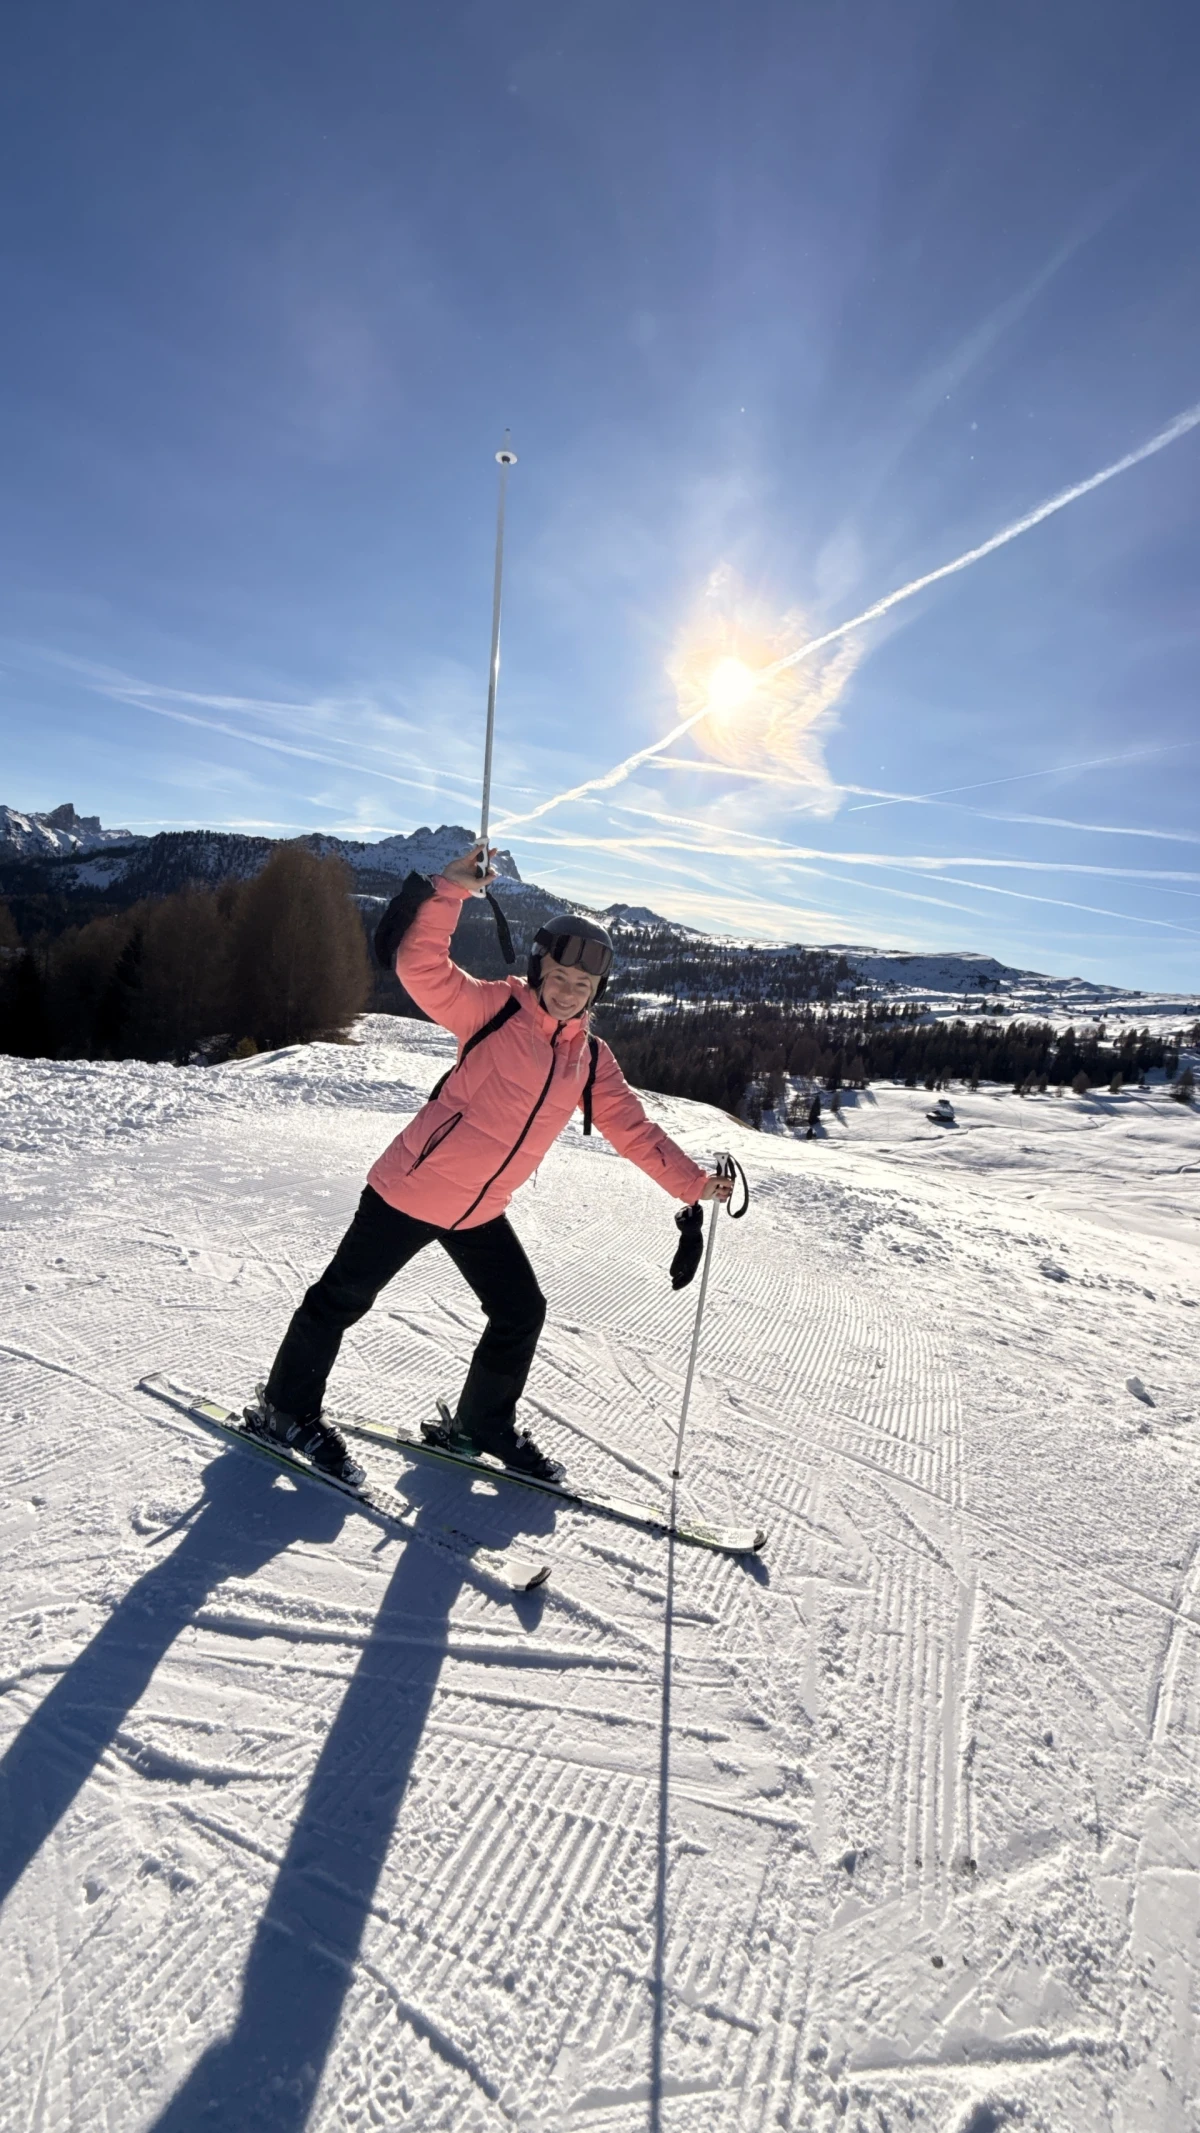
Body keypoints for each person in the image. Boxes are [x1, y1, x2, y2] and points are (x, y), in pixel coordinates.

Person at [246, 842, 732, 1487]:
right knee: (340, 1299)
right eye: (559, 977)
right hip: (410, 1191)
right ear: (538, 971)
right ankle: (285, 1408)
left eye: (582, 985)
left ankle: (480, 1425)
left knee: (520, 1312)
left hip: (478, 1210)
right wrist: (450, 891)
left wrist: (693, 1183)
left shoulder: (590, 1059)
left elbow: (633, 1130)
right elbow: (421, 965)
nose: (568, 992)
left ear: (598, 991)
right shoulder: (494, 1009)